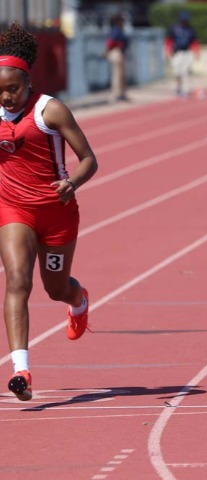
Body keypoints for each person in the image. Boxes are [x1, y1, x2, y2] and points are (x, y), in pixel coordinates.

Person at [0, 23, 98, 401]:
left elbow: (89, 159)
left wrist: (72, 183)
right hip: (14, 209)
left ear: (28, 82)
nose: (7, 97)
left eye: (13, 89)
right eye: (0, 91)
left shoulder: (50, 110)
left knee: (56, 288)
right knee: (16, 281)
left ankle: (79, 301)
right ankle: (21, 371)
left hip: (57, 212)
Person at [165, 11, 199, 97]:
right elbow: (169, 40)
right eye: (183, 20)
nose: (185, 21)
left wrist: (196, 52)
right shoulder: (174, 29)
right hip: (177, 53)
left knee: (185, 72)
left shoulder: (190, 30)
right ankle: (178, 87)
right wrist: (167, 50)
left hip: (187, 53)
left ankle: (185, 90)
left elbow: (194, 41)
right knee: (176, 72)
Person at [104, 13, 129, 102]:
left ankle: (121, 93)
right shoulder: (116, 30)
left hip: (119, 52)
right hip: (116, 52)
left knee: (121, 74)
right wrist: (106, 51)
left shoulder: (119, 30)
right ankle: (117, 94)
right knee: (117, 74)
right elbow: (112, 42)